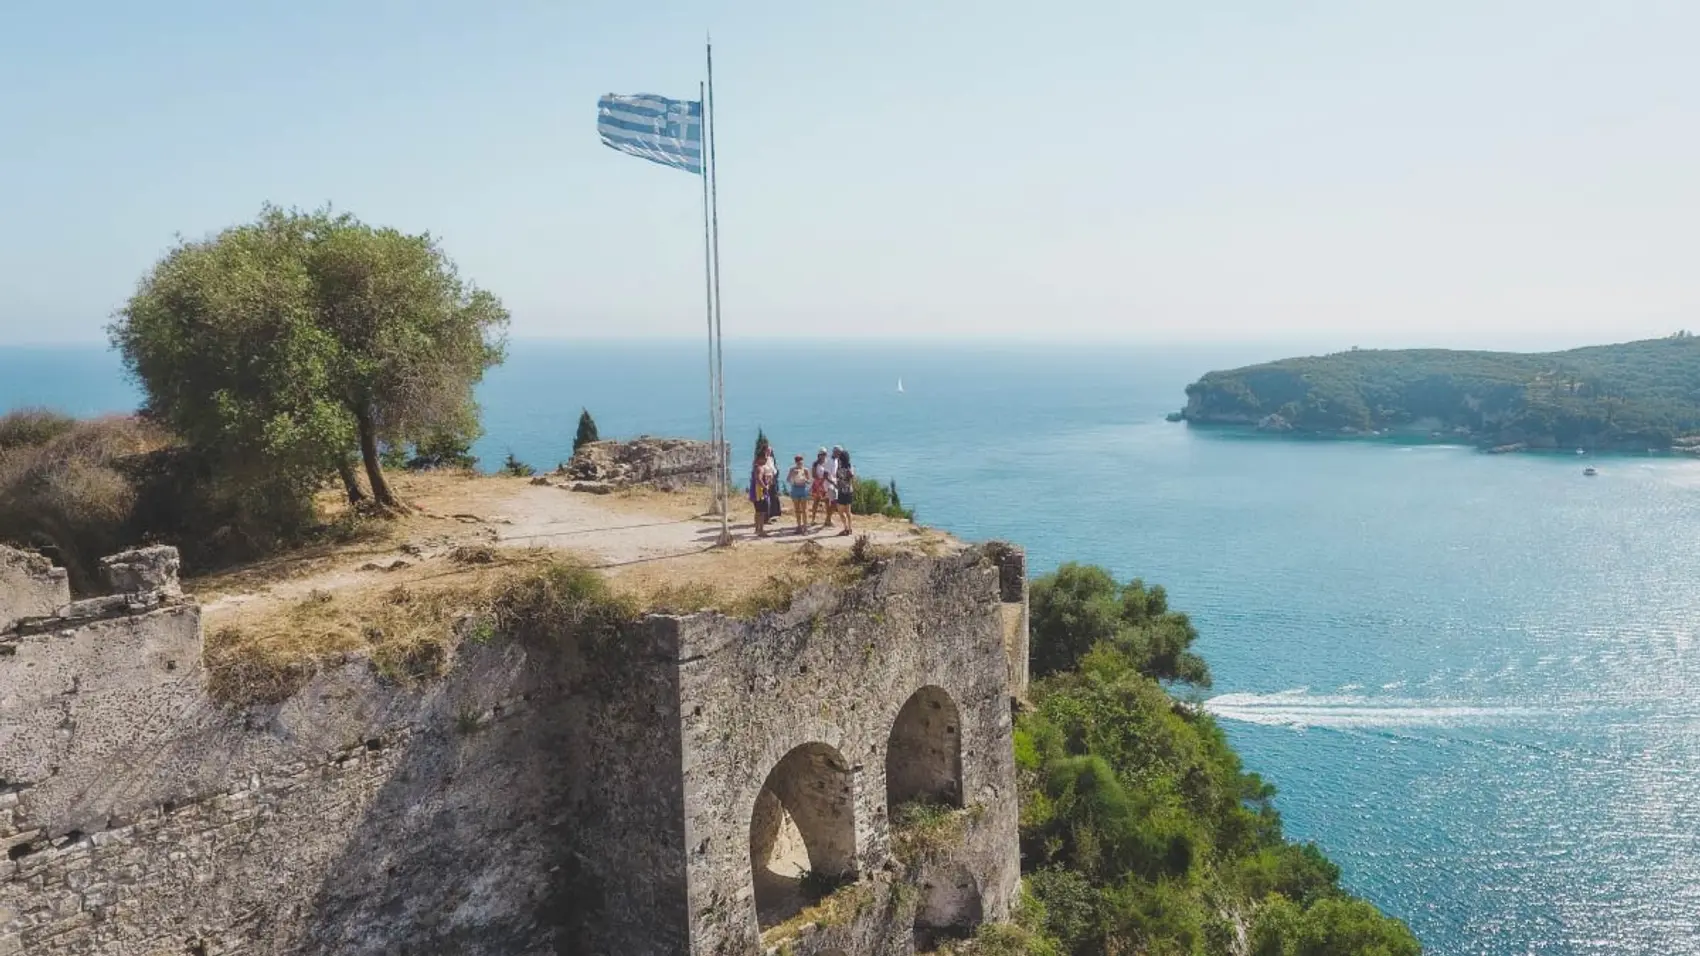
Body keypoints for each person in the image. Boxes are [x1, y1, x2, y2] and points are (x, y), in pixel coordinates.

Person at [749, 449, 776, 537]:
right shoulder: (760, 468)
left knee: (758, 512)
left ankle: (757, 528)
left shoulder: (755, 467)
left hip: (755, 492)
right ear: (760, 459)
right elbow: (759, 479)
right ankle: (761, 529)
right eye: (764, 458)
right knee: (761, 512)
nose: (765, 460)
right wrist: (765, 487)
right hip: (760, 493)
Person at [833, 448, 856, 537]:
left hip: (842, 491)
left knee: (840, 511)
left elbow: (837, 479)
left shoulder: (840, 469)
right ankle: (850, 528)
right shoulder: (850, 467)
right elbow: (852, 476)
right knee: (848, 511)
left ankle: (846, 528)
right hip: (849, 490)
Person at [786, 455, 811, 534]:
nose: (799, 462)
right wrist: (793, 474)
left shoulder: (805, 470)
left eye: (800, 460)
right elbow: (788, 479)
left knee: (804, 510)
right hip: (795, 488)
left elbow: (809, 481)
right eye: (798, 461)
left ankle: (805, 527)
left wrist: (805, 479)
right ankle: (799, 526)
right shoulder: (792, 469)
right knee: (797, 510)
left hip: (803, 489)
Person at [809, 448, 831, 526]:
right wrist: (820, 480)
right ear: (819, 455)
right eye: (822, 454)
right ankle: (813, 519)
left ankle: (828, 520)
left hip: (825, 484)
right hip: (818, 484)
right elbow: (814, 475)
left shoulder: (828, 463)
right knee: (816, 501)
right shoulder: (815, 464)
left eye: (825, 454)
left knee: (827, 502)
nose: (824, 456)